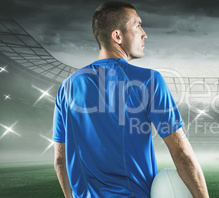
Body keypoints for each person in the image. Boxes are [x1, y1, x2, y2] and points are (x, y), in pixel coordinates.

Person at [52, 2, 209, 198]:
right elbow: (182, 154)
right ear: (117, 36)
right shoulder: (148, 81)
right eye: (138, 25)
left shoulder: (67, 87)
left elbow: (60, 160)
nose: (144, 34)